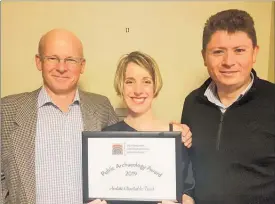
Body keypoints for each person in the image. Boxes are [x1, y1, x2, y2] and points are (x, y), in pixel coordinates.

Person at [0, 28, 119, 204]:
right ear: (38, 62)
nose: (61, 68)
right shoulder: (7, 110)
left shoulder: (102, 107)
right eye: (52, 58)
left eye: (70, 60)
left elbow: (120, 168)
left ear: (82, 65)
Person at [181, 9, 275, 204]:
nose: (229, 62)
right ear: (204, 56)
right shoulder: (192, 103)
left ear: (255, 52)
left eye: (239, 50)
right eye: (218, 52)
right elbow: (188, 168)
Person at [89, 51, 195, 204]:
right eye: (130, 81)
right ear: (121, 86)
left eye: (146, 81)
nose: (138, 90)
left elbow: (187, 189)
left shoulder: (177, 135)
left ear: (155, 86)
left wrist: (186, 201)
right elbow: (100, 189)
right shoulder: (107, 138)